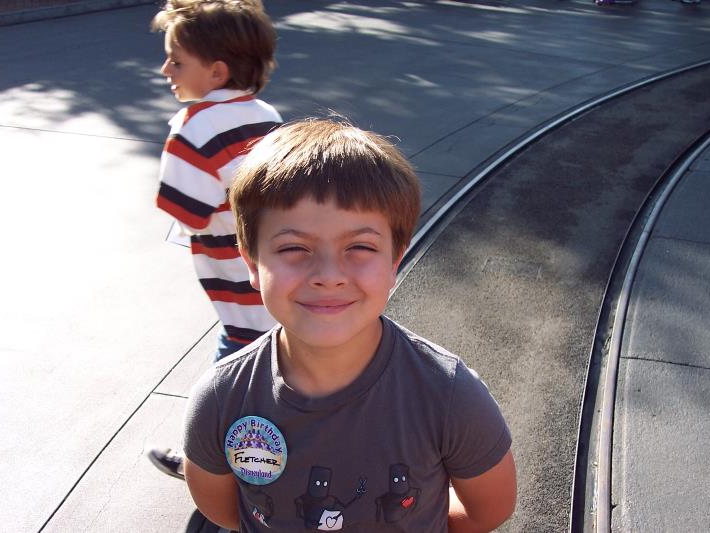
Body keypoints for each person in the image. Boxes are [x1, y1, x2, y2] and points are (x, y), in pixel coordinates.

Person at [182, 119, 517, 532]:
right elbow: (226, 510)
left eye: (359, 246)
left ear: (394, 261)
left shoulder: (449, 397)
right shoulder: (220, 400)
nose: (328, 275)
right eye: (294, 247)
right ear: (252, 262)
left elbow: (488, 509)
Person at [148, 0, 282, 480]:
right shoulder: (265, 113)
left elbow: (183, 210)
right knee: (268, 370)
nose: (165, 70)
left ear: (217, 71)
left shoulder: (195, 127)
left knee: (229, 383)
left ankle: (205, 465)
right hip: (278, 275)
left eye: (176, 61)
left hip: (240, 289)